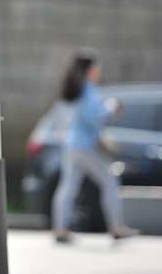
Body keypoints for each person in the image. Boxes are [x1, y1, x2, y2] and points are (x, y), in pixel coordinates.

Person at [51, 49, 139, 242]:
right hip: (87, 144)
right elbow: (94, 116)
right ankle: (116, 227)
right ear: (89, 68)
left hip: (71, 145)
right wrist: (110, 107)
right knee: (109, 182)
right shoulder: (87, 88)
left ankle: (60, 228)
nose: (98, 69)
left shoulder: (73, 88)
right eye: (96, 66)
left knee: (68, 187)